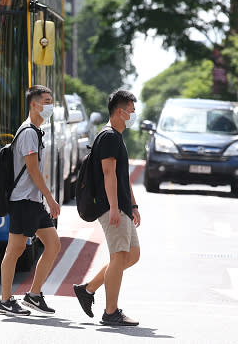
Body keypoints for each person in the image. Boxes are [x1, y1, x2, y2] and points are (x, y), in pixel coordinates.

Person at [73, 90, 141, 326]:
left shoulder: (116, 137)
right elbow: (108, 173)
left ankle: (88, 290)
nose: (134, 115)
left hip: (122, 206)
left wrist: (132, 205)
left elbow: (123, 177)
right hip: (111, 206)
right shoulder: (109, 137)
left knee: (131, 255)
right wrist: (114, 207)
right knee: (119, 256)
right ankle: (111, 312)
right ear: (120, 112)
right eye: (131, 111)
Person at [0, 85, 61, 317]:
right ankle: (5, 300)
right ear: (34, 105)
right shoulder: (28, 133)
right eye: (46, 101)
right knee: (14, 250)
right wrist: (50, 198)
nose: (50, 105)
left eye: (51, 100)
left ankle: (33, 295)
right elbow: (33, 170)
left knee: (53, 244)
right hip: (23, 200)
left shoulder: (34, 131)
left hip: (32, 202)